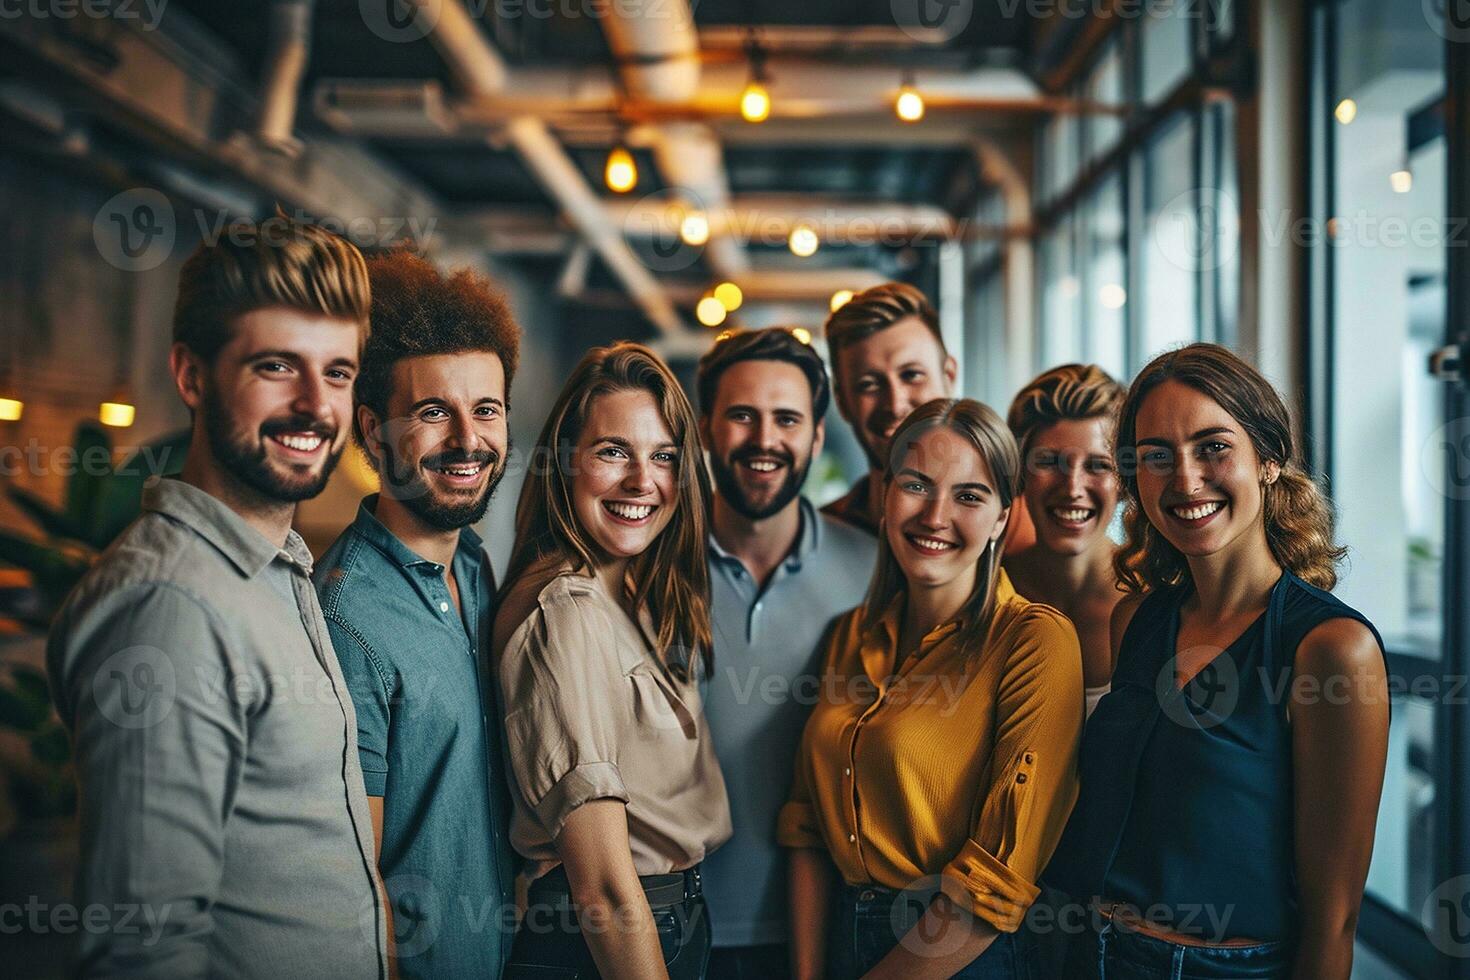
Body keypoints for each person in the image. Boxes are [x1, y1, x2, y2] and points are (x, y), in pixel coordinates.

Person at [46, 216, 388, 979]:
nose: (315, 405)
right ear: (192, 375)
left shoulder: (274, 567)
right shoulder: (170, 609)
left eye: (337, 372)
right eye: (276, 367)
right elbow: (141, 953)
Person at [1045, 343, 1389, 979]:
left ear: (1267, 459)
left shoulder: (1331, 650)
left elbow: (1334, 921)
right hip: (1088, 955)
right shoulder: (1137, 620)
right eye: (1156, 456)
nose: (1184, 480)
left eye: (1213, 447)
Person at [780, 398, 1083, 980]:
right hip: (840, 936)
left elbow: (995, 882)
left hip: (960, 956)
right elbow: (806, 824)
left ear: (1001, 518)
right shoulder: (850, 634)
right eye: (917, 486)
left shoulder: (1034, 640)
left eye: (969, 496)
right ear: (883, 494)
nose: (935, 516)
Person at [493, 342, 732, 980]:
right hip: (607, 942)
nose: (641, 481)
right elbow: (601, 887)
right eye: (612, 451)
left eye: (662, 457)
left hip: (667, 921)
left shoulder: (628, 591)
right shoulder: (564, 612)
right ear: (564, 460)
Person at [314, 251, 522, 978]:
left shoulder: (476, 566)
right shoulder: (346, 614)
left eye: (486, 409)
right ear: (373, 433)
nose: (469, 440)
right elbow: (351, 876)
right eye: (434, 412)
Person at [694, 328, 877, 979]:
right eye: (742, 415)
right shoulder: (648, 569)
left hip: (829, 933)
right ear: (707, 428)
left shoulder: (876, 571)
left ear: (817, 438)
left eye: (788, 419)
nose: (764, 438)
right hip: (670, 929)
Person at [1003, 364, 1126, 718]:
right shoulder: (987, 590)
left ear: (1125, 483)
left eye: (1098, 465)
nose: (1072, 488)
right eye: (1050, 462)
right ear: (1019, 473)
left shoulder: (1159, 599)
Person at [819, 283, 956, 536]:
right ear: (842, 403)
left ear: (949, 376)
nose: (895, 405)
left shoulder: (1013, 532)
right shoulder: (820, 541)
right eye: (868, 385)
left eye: (912, 375)